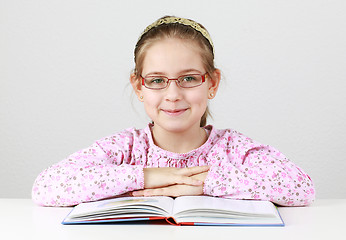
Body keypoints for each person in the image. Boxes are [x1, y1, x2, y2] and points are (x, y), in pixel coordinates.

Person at [32, 16, 315, 207]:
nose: (173, 95)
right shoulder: (126, 149)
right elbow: (46, 187)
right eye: (156, 80)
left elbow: (301, 188)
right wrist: (150, 175)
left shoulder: (233, 149)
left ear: (212, 83)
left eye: (189, 78)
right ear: (139, 86)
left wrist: (204, 183)